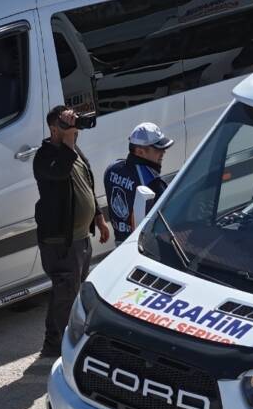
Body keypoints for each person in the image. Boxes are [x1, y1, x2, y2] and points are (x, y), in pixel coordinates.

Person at [33, 105, 109, 357]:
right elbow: (60, 171)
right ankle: (54, 346)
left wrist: (98, 217)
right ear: (53, 129)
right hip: (60, 242)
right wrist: (67, 141)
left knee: (72, 291)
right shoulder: (45, 157)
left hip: (80, 239)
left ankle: (65, 339)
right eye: (66, 125)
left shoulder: (73, 151)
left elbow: (85, 181)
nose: (73, 131)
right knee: (64, 293)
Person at [103, 122, 174, 246]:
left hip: (119, 243)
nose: (163, 152)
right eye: (158, 148)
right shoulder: (153, 183)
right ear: (140, 151)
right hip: (142, 248)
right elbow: (169, 224)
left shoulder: (111, 169)